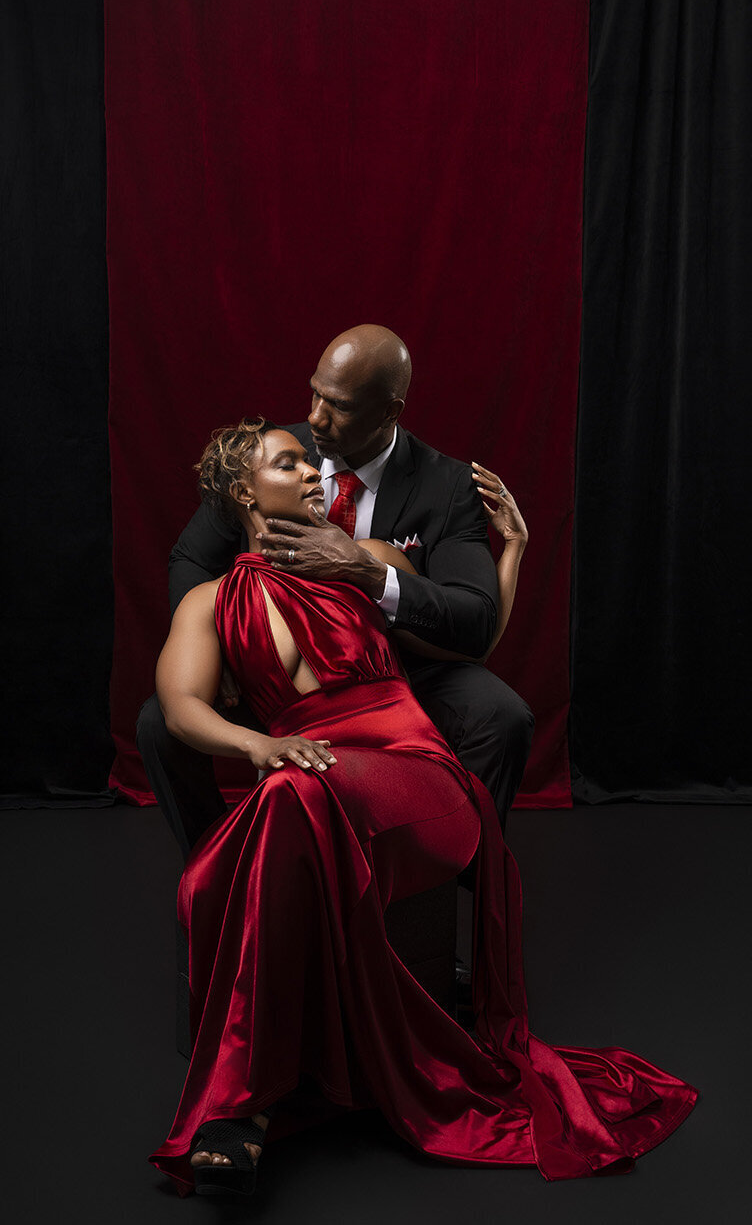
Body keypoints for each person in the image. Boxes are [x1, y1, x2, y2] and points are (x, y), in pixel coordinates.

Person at [148, 418, 696, 1196]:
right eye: (290, 462)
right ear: (244, 491)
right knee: (274, 812)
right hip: (306, 779)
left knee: (285, 804)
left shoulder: (363, 560)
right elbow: (178, 706)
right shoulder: (207, 603)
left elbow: (469, 644)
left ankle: (239, 1107)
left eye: (314, 462)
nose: (313, 470)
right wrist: (256, 746)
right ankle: (253, 1094)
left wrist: (515, 550)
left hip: (418, 778)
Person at [137, 324, 534, 857]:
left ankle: (449, 870)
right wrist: (226, 648)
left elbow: (474, 623)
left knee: (501, 716)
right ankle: (221, 865)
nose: (316, 419)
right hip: (275, 667)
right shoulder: (271, 454)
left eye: (339, 406)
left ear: (390, 412)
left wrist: (369, 573)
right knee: (160, 721)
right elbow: (190, 559)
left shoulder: (446, 487)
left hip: (391, 669)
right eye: (315, 393)